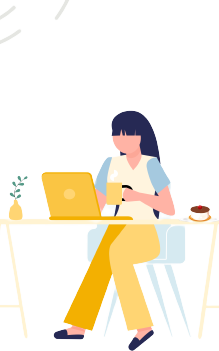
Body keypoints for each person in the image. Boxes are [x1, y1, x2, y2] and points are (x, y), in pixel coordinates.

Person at [53, 110, 175, 348]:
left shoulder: (151, 166)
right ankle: (78, 326)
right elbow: (97, 203)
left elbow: (169, 207)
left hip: (145, 231)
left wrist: (134, 195)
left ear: (141, 136)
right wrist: (75, 210)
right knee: (101, 260)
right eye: (116, 134)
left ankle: (143, 325)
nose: (120, 139)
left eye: (127, 134)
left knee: (116, 253)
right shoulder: (110, 164)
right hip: (116, 227)